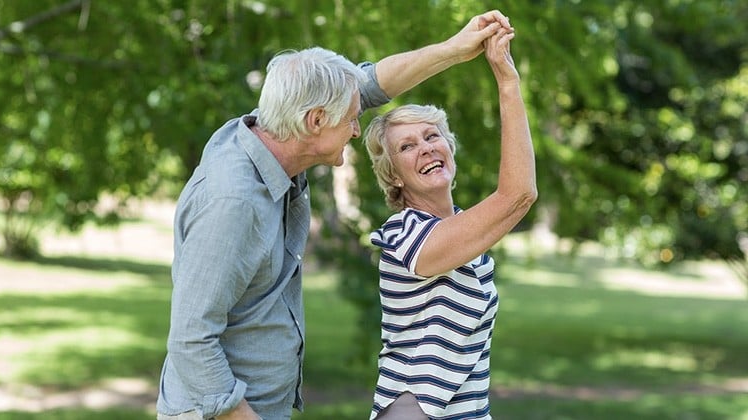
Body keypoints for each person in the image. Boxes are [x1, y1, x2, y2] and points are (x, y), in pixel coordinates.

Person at [155, 10, 514, 420]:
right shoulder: (233, 201)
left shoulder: (276, 131)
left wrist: (454, 49)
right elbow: (191, 341)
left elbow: (371, 83)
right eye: (351, 119)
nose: (357, 130)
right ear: (316, 121)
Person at [362, 20, 537, 420]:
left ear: (450, 150)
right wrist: (507, 81)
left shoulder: (467, 237)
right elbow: (518, 195)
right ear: (393, 175)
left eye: (432, 136)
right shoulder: (402, 236)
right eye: (407, 146)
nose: (425, 148)